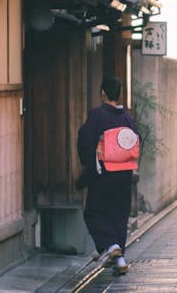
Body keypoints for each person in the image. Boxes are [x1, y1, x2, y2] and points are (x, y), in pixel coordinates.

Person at [76, 76, 140, 276]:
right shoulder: (127, 118)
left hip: (104, 173)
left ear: (103, 93)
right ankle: (120, 260)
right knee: (119, 215)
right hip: (124, 174)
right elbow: (137, 143)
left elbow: (85, 141)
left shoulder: (97, 115)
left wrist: (87, 164)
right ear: (118, 94)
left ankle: (111, 246)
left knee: (94, 212)